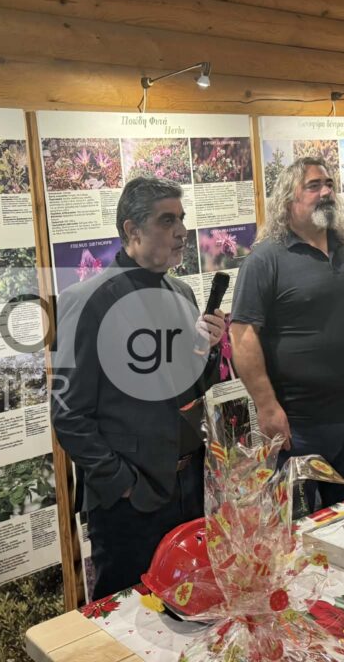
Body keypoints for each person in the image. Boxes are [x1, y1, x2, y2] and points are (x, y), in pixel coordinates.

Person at [51, 176, 224, 599]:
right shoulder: (87, 300)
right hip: (132, 504)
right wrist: (123, 484)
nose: (182, 231)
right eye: (167, 221)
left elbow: (191, 388)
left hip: (190, 488)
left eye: (182, 218)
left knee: (191, 606)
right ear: (132, 230)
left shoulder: (182, 293)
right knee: (128, 617)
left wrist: (210, 349)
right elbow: (68, 415)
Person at [230, 157, 344, 510]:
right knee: (300, 526)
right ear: (287, 199)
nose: (325, 192)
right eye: (313, 186)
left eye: (329, 185)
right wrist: (266, 405)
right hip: (299, 426)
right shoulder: (265, 259)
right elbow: (243, 334)